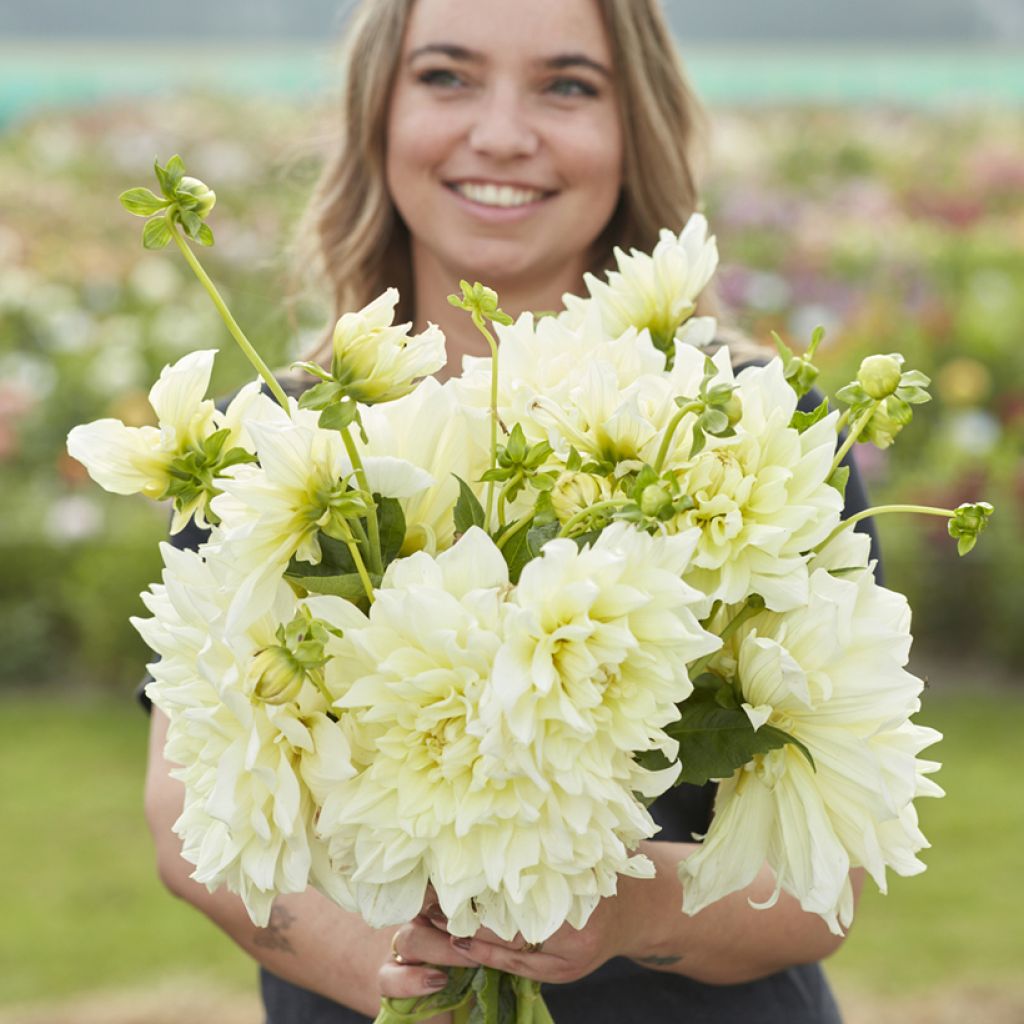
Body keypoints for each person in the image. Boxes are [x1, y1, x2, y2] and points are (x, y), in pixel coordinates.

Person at [144, 1, 870, 1021]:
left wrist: (628, 907)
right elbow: (186, 807)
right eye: (446, 76)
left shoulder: (752, 428)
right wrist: (391, 969)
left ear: (635, 128)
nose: (499, 133)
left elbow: (828, 867)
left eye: (567, 86)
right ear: (377, 115)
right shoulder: (274, 444)